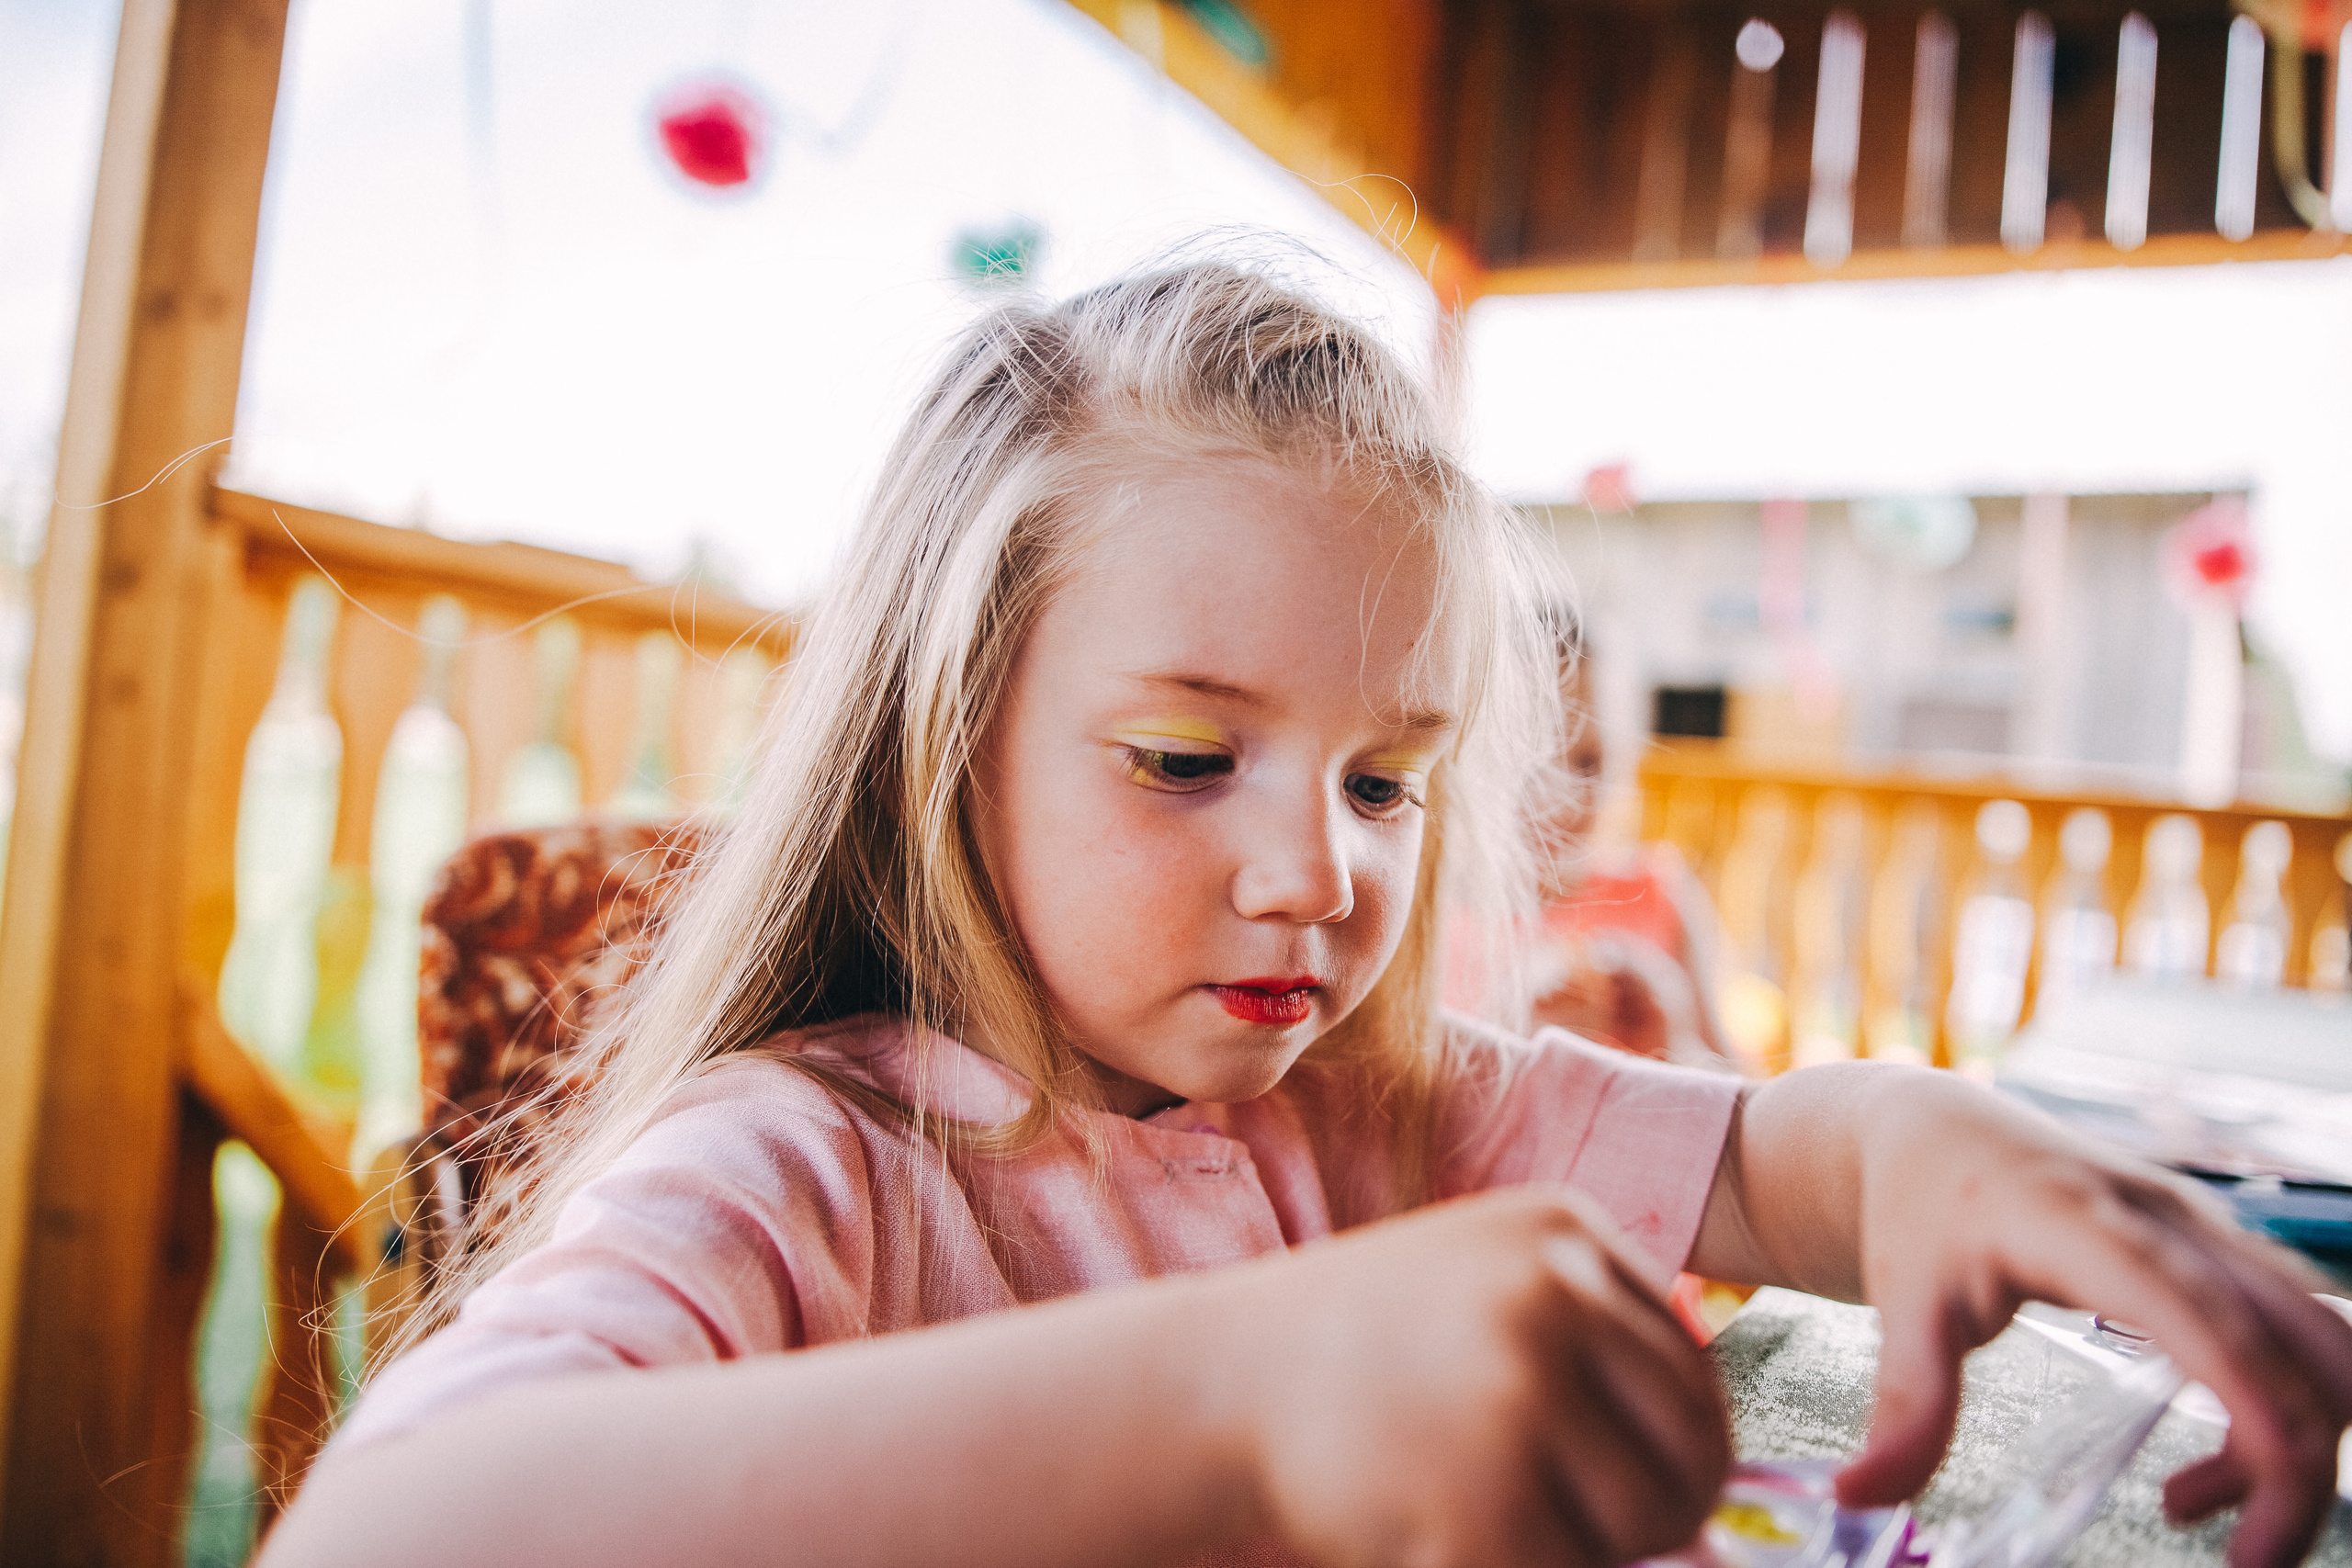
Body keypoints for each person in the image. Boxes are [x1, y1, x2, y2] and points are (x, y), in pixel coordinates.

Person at [265, 264, 2352, 1568]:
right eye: (1183, 755)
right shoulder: (805, 1168)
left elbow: (1762, 1159)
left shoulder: (1372, 1101)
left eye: (1381, 778)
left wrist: (1919, 1134)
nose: (1319, 870)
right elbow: (383, 1529)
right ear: (938, 740)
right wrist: (1247, 1394)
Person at [1519, 619, 1737, 1072]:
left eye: (1588, 763)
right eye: (1537, 762)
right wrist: (1518, 1040)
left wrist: (1672, 1043)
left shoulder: (1660, 893)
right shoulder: (1440, 921)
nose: (1564, 798)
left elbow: (1740, 1094)